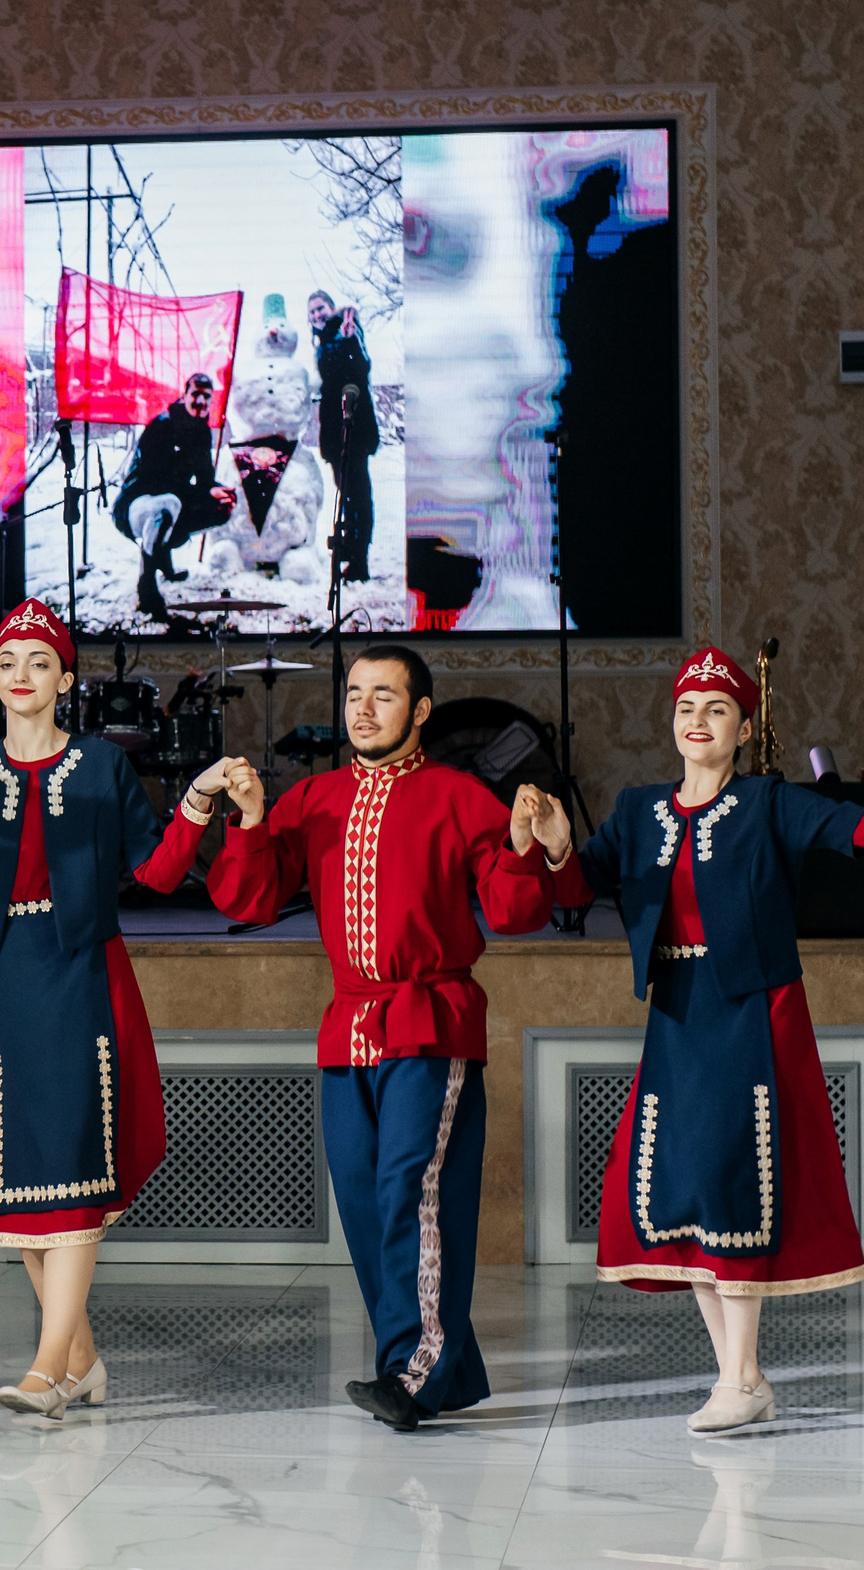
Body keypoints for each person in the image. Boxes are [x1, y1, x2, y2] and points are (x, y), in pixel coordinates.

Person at [525, 647, 864, 1434]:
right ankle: (741, 1377)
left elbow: (848, 824)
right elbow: (578, 886)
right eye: (686, 709)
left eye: (717, 711)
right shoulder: (638, 810)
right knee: (688, 1192)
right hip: (675, 1012)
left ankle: (740, 1378)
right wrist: (558, 841)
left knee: (734, 1182)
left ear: (743, 727)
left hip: (749, 1011)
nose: (697, 722)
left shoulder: (767, 800)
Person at [207, 642, 572, 1432]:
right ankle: (439, 1362)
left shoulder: (461, 795)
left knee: (414, 1191)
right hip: (350, 1027)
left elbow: (513, 914)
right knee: (367, 1204)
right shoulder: (316, 796)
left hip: (430, 1021)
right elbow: (250, 895)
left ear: (421, 712)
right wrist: (251, 820)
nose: (362, 707)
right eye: (354, 693)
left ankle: (415, 1375)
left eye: (383, 694)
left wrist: (519, 847)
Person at [0, 599, 243, 1419]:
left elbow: (157, 874)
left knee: (76, 1156)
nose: (20, 674)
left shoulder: (99, 766)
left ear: (66, 676)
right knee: (19, 1168)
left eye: (39, 661)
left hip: (82, 972)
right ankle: (84, 1357)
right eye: (8, 661)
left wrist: (196, 801)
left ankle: (49, 1363)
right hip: (7, 975)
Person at [110, 372, 235, 622]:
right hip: (136, 504)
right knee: (167, 505)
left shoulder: (202, 432)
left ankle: (167, 555)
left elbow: (204, 478)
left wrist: (216, 490)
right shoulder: (163, 426)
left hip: (171, 500)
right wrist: (200, 490)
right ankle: (147, 588)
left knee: (221, 506)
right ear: (184, 395)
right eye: (195, 395)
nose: (200, 402)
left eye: (206, 397)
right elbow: (156, 481)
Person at [307, 291, 380, 584]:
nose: (317, 315)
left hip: (354, 425)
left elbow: (361, 369)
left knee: (359, 493)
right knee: (346, 491)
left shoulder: (348, 330)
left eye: (320, 308)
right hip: (336, 430)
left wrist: (349, 339)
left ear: (331, 307)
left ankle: (360, 560)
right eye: (311, 312)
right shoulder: (323, 341)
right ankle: (349, 549)